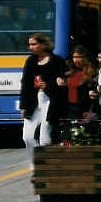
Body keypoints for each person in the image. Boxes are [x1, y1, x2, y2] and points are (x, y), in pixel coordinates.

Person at [20, 33, 68, 165]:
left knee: (45, 138)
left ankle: (47, 166)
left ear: (43, 44)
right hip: (34, 102)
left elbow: (63, 83)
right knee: (27, 137)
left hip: (50, 102)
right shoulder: (30, 61)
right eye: (29, 44)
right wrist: (23, 106)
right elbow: (25, 84)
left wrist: (48, 84)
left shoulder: (56, 60)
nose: (31, 47)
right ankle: (34, 165)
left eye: (34, 44)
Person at [65, 45, 97, 119]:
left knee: (83, 128)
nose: (75, 60)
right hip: (70, 109)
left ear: (85, 58)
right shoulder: (71, 72)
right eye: (74, 57)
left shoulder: (92, 73)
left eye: (78, 57)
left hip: (85, 111)